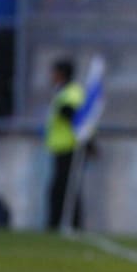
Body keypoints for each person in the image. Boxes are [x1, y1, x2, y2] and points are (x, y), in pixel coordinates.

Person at [46, 58, 85, 229]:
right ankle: (65, 224)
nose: (51, 76)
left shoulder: (71, 92)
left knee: (64, 189)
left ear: (61, 73)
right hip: (62, 147)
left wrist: (89, 144)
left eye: (54, 72)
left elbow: (75, 118)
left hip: (69, 147)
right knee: (65, 189)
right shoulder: (63, 91)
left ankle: (58, 225)